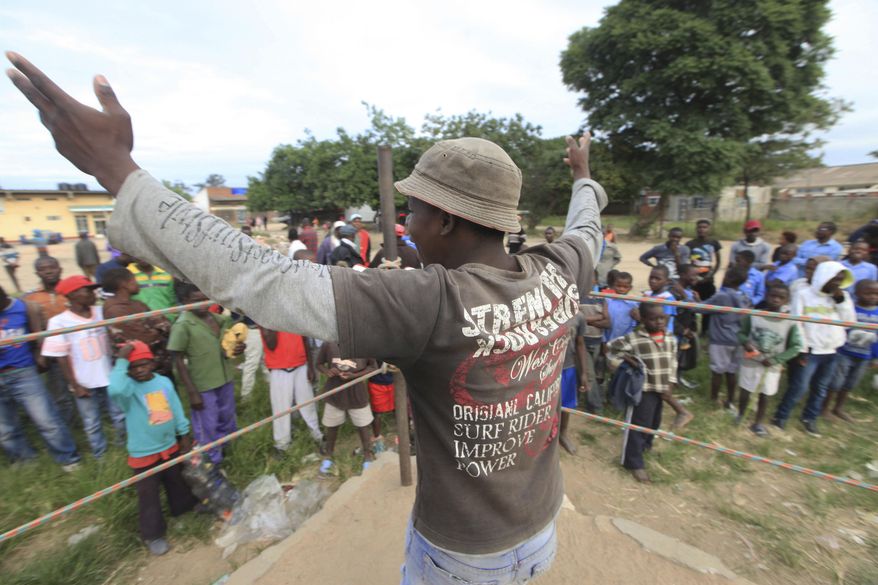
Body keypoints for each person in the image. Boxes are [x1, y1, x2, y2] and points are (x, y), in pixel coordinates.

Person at [6, 59, 605, 580]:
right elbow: (588, 230)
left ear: (446, 221)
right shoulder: (557, 269)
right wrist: (583, 178)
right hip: (540, 521)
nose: (405, 225)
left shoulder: (430, 302)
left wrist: (118, 170)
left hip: (464, 556)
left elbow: (268, 281)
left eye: (415, 210)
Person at [108, 340, 198, 556]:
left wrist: (183, 434)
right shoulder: (128, 391)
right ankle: (153, 534)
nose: (139, 371)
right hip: (144, 453)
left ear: (152, 362)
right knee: (148, 496)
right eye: (133, 367)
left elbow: (175, 408)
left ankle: (183, 509)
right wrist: (121, 360)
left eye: (143, 364)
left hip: (169, 445)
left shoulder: (164, 382)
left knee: (176, 481)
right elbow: (115, 388)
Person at [41, 275, 125, 456]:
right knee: (91, 421)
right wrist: (75, 384)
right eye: (87, 290)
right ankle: (100, 455)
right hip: (84, 381)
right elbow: (61, 357)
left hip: (110, 376)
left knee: (119, 415)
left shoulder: (101, 312)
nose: (92, 293)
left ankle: (123, 447)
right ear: (71, 295)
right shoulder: (59, 322)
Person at [0, 285, 81, 469]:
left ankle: (68, 458)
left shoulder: (24, 308)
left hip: (22, 372)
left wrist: (40, 356)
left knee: (46, 419)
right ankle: (23, 461)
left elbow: (39, 337)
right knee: (5, 428)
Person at [772, 261, 855, 436]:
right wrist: (801, 348)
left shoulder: (843, 297)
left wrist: (840, 301)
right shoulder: (803, 294)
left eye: (840, 280)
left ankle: (809, 418)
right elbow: (796, 322)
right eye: (834, 279)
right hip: (809, 350)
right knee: (799, 387)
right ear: (824, 276)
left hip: (831, 350)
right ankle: (781, 417)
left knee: (821, 387)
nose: (837, 283)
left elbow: (849, 322)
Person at [167, 284, 243, 464]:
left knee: (227, 416)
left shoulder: (218, 320)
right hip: (203, 385)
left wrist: (237, 348)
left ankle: (229, 455)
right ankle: (211, 463)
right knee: (208, 425)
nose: (203, 304)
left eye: (205, 299)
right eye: (196, 301)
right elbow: (177, 359)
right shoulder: (183, 325)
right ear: (185, 302)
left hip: (224, 378)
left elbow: (226, 349)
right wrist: (192, 392)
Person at [606, 303, 677, 483]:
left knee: (655, 422)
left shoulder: (670, 338)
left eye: (662, 318)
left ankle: (646, 446)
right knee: (639, 424)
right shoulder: (635, 338)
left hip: (661, 389)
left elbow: (673, 361)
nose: (659, 322)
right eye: (653, 319)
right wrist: (629, 360)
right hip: (644, 389)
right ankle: (634, 462)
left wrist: (671, 382)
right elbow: (611, 347)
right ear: (643, 320)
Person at [736, 283, 803, 436]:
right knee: (745, 389)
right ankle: (741, 415)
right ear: (766, 296)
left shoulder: (790, 322)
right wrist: (745, 342)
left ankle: (758, 422)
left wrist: (777, 360)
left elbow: (796, 346)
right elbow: (741, 333)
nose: (776, 300)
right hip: (751, 361)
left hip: (771, 366)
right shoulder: (754, 316)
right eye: (773, 296)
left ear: (787, 301)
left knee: (764, 394)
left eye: (781, 298)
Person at [22, 255, 75, 423]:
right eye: (43, 269)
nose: (49, 271)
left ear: (60, 269)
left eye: (52, 267)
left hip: (78, 346)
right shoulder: (30, 298)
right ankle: (68, 423)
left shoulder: (71, 291)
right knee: (59, 390)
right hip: (52, 353)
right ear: (37, 273)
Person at [315, 341, 377, 476]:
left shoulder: (364, 344)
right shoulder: (329, 344)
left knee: (363, 425)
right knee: (331, 426)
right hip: (335, 392)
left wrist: (354, 376)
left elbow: (373, 367)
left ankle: (367, 456)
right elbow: (318, 364)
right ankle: (329, 455)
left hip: (357, 392)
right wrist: (328, 371)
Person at [822, 279, 878, 422]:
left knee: (850, 383)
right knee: (836, 382)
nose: (872, 296)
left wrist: (875, 357)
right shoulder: (851, 308)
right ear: (857, 293)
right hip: (844, 352)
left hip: (865, 355)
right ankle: (825, 409)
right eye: (868, 293)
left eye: (876, 294)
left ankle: (839, 408)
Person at [260, 326, 323, 452]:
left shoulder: (292, 310)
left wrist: (310, 366)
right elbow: (271, 344)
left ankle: (317, 435)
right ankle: (282, 445)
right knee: (281, 409)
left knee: (308, 403)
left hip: (301, 364)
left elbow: (304, 338)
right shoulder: (265, 315)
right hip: (279, 368)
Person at [101, 268, 172, 376]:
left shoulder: (136, 304)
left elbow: (165, 324)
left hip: (158, 364)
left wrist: (157, 329)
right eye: (134, 280)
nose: (137, 284)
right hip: (141, 368)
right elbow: (143, 338)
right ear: (124, 285)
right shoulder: (115, 310)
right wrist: (158, 331)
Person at [703, 267, 750, 411]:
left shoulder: (721, 296)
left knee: (717, 371)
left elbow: (700, 308)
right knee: (731, 371)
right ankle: (730, 400)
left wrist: (685, 296)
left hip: (720, 340)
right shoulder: (743, 296)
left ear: (728, 278)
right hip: (737, 339)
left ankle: (713, 399)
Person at [558, 308, 588, 455]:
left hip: (567, 367)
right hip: (546, 368)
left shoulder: (578, 316)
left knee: (566, 404)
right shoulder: (543, 312)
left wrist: (583, 373)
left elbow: (580, 344)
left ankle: (563, 433)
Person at [685, 219, 722, 301]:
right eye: (699, 227)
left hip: (708, 279)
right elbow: (686, 262)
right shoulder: (690, 244)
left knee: (708, 302)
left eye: (704, 227)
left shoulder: (714, 243)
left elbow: (718, 262)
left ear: (709, 229)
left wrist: (711, 275)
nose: (702, 229)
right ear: (696, 229)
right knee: (694, 301)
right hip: (694, 280)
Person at [603, 272, 638, 343]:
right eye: (618, 286)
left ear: (630, 288)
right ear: (613, 286)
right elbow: (603, 324)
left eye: (625, 287)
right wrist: (603, 341)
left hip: (625, 342)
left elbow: (633, 325)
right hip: (606, 340)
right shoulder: (607, 301)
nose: (621, 289)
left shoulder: (633, 305)